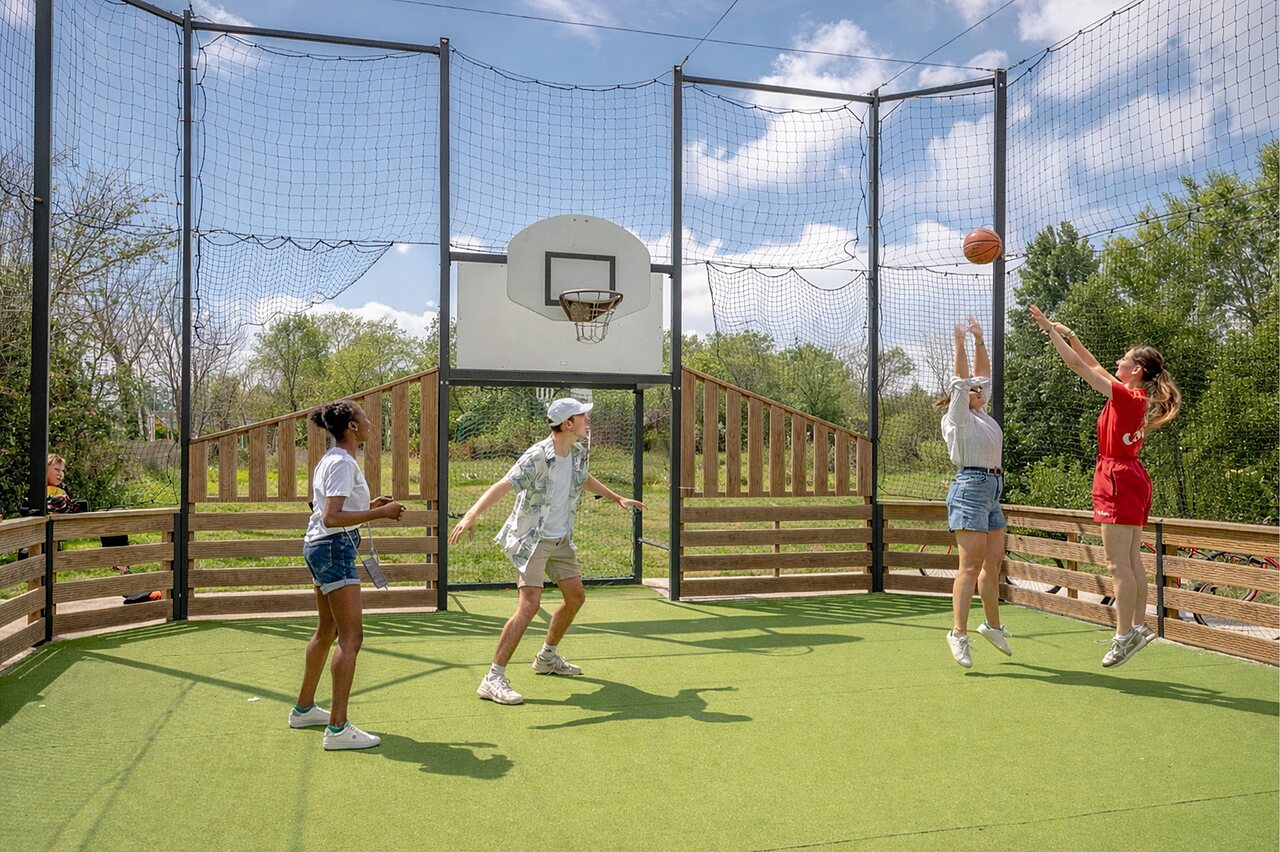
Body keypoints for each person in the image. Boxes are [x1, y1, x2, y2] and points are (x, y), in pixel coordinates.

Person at [448, 397, 647, 706]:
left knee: (576, 597)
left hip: (560, 540)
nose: (587, 420)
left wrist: (616, 497)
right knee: (529, 605)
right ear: (568, 424)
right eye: (582, 416)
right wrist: (472, 514)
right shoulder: (537, 456)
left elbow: (583, 479)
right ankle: (493, 678)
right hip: (532, 539)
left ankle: (547, 657)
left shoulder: (577, 451)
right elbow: (504, 484)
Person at [1029, 306, 1181, 668]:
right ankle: (1139, 627)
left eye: (1124, 359)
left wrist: (1050, 332)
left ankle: (1123, 635)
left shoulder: (1128, 398)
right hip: (1131, 477)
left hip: (1116, 477)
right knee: (1130, 560)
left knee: (1117, 565)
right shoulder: (1135, 396)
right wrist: (1071, 336)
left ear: (1137, 371)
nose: (1117, 361)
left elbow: (1080, 369)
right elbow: (1094, 366)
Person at [291, 400, 403, 750]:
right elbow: (331, 517)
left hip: (319, 548)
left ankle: (304, 708)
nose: (369, 422)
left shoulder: (330, 460)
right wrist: (382, 514)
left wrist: (369, 506)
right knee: (351, 638)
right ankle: (338, 729)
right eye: (365, 418)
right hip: (334, 547)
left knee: (327, 630)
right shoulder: (342, 462)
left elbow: (330, 509)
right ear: (352, 427)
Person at [935, 317, 1012, 668]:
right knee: (969, 567)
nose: (981, 390)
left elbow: (984, 377)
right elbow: (963, 381)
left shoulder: (981, 414)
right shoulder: (959, 417)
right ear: (962, 396)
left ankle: (992, 625)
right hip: (969, 489)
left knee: (992, 565)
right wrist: (960, 345)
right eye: (974, 390)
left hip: (993, 489)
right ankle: (958, 634)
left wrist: (981, 340)